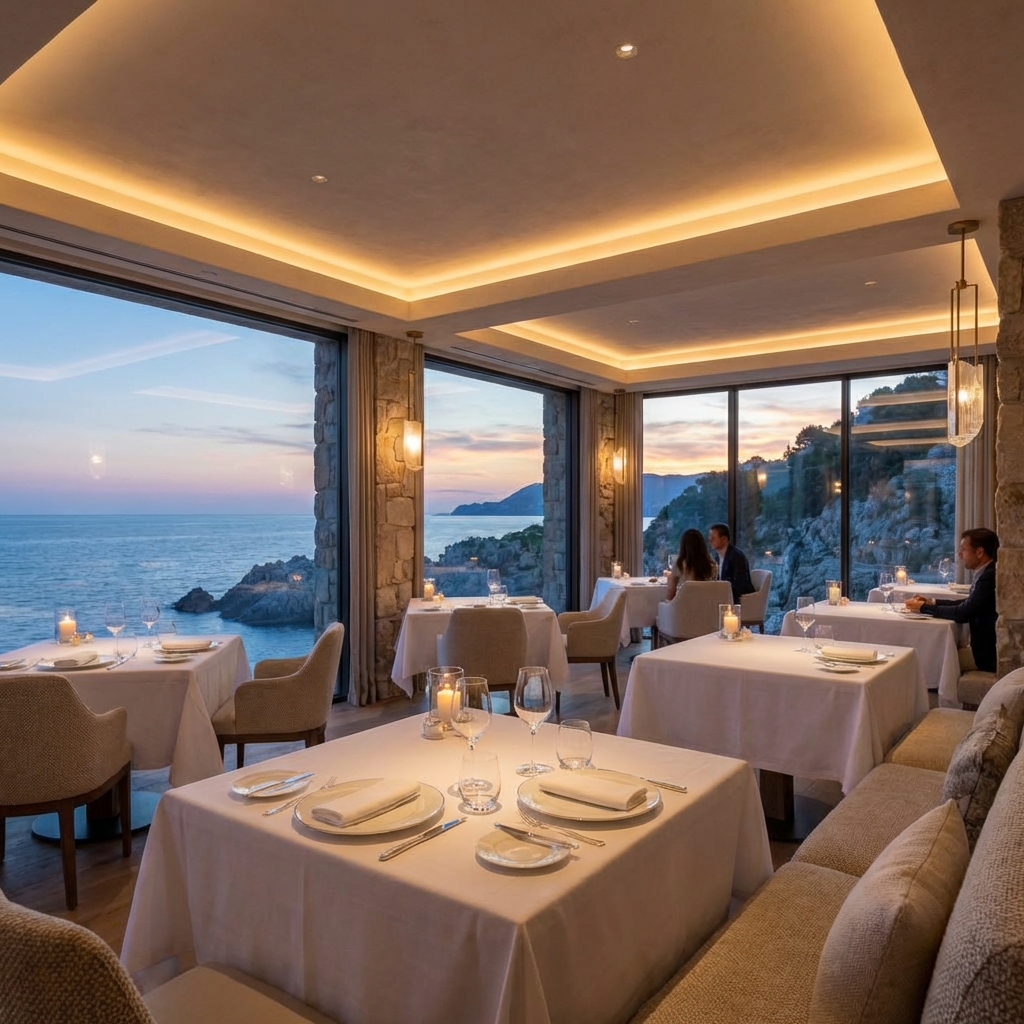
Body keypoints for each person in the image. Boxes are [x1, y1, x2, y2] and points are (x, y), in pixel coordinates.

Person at [906, 528, 998, 674]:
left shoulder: (989, 576)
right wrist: (932, 602)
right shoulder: (988, 571)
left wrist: (923, 608)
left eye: (964, 550)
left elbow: (963, 613)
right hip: (984, 650)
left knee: (932, 659)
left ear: (980, 552)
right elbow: (969, 604)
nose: (960, 555)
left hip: (986, 657)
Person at [708, 523, 755, 605]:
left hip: (740, 599)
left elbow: (739, 584)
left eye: (713, 537)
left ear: (724, 539)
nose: (710, 539)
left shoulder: (737, 556)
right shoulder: (716, 556)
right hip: (723, 596)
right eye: (710, 536)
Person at [666, 528, 718, 600]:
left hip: (684, 604)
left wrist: (670, 578)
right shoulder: (712, 565)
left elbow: (671, 593)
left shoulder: (679, 564)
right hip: (706, 604)